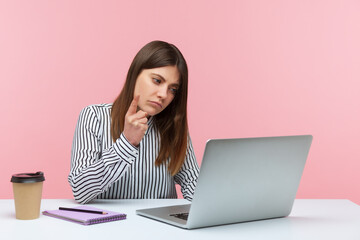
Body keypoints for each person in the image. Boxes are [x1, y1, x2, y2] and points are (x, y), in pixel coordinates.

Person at [68, 40, 199, 204]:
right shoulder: (94, 116)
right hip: (109, 226)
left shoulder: (173, 126)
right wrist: (127, 143)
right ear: (135, 74)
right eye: (157, 81)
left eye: (173, 89)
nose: (164, 94)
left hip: (162, 228)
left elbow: (193, 182)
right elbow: (80, 191)